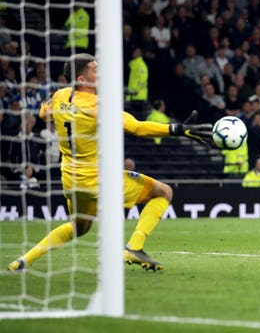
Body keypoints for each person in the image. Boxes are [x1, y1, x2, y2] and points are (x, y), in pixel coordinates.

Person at [7, 54, 213, 273]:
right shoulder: (98, 107)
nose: (101, 73)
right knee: (164, 193)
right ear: (82, 79)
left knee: (79, 228)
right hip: (98, 178)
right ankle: (134, 247)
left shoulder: (60, 96)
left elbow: (42, 114)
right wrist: (177, 129)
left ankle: (24, 260)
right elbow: (136, 127)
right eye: (95, 69)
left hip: (71, 179)